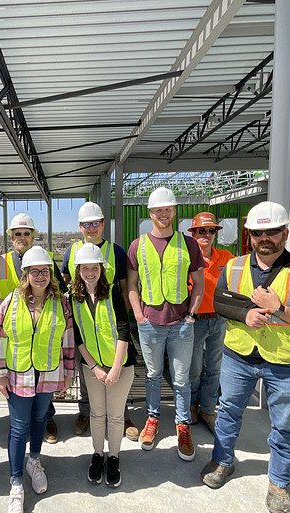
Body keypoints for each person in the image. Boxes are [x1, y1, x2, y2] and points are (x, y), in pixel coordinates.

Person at [200, 201, 290, 513]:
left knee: (285, 426)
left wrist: (281, 310)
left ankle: (279, 483)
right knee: (229, 413)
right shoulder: (234, 266)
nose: (265, 237)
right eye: (258, 232)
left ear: (284, 233)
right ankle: (222, 462)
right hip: (239, 356)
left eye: (272, 231)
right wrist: (246, 314)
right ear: (249, 235)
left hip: (286, 363)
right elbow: (220, 302)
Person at [0, 246, 76, 513]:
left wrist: (69, 372)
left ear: (51, 274)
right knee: (18, 428)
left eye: (45, 271)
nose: (40, 276)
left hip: (49, 371)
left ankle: (34, 461)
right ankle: (16, 483)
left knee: (40, 419)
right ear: (25, 274)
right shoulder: (9, 302)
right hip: (18, 374)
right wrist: (0, 373)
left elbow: (68, 340)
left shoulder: (61, 303)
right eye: (34, 271)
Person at [126, 187, 205, 460]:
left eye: (167, 209)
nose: (163, 214)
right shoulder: (138, 246)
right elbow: (132, 285)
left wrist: (192, 315)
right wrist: (138, 314)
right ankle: (153, 418)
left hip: (182, 324)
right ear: (150, 213)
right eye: (158, 210)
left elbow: (199, 285)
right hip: (150, 324)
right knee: (152, 375)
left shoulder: (189, 244)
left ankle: (182, 426)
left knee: (182, 379)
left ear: (174, 211)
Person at [0, 213, 68, 444]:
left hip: (42, 330)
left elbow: (60, 295)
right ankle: (22, 423)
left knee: (43, 376)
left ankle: (46, 418)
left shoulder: (47, 260)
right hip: (13, 334)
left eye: (26, 233)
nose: (22, 237)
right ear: (11, 237)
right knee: (18, 382)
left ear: (33, 236)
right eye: (17, 234)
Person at [61, 202, 138, 441]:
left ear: (103, 224)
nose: (91, 228)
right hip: (84, 323)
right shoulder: (71, 252)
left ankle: (122, 416)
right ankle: (86, 412)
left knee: (118, 371)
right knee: (88, 374)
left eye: (96, 223)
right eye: (86, 224)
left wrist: (121, 323)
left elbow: (124, 288)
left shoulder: (116, 251)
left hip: (112, 323)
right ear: (80, 227)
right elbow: (66, 282)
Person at [70, 243, 135, 488]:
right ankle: (98, 455)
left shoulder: (114, 293)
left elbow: (123, 328)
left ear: (101, 268)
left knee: (116, 415)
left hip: (121, 364)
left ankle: (114, 457)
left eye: (93, 267)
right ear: (78, 270)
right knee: (97, 413)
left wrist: (116, 368)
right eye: (84, 268)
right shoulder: (72, 297)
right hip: (92, 366)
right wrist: (95, 367)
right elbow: (76, 335)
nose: (89, 272)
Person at [187, 212, 234, 433]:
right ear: (193, 233)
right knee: (194, 368)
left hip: (219, 320)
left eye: (211, 231)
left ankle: (208, 409)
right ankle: (192, 406)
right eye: (202, 231)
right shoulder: (186, 258)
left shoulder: (226, 258)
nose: (207, 234)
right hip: (195, 321)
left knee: (215, 368)